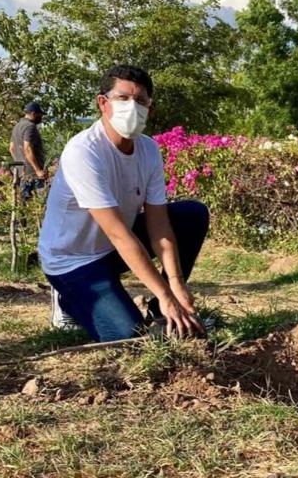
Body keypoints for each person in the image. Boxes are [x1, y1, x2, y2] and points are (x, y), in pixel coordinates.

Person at [38, 64, 209, 341]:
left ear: (150, 110)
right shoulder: (84, 152)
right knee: (129, 335)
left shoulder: (149, 150)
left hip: (111, 249)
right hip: (73, 260)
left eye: (141, 101)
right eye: (123, 98)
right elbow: (118, 233)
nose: (133, 106)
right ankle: (68, 299)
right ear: (103, 103)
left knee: (192, 215)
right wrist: (164, 292)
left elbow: (159, 225)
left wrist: (174, 286)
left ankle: (161, 311)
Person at [9, 101, 47, 201]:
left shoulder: (17, 126)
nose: (41, 117)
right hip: (32, 173)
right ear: (33, 114)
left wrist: (20, 162)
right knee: (37, 202)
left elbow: (12, 148)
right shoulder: (30, 127)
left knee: (24, 202)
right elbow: (27, 148)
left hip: (22, 171)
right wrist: (38, 170)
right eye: (40, 115)